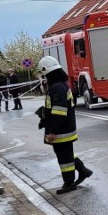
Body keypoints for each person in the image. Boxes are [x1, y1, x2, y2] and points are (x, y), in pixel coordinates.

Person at [37, 55, 93, 194]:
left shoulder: (56, 87)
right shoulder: (62, 84)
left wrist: (52, 132)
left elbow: (59, 112)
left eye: (44, 74)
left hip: (61, 131)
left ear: (47, 72)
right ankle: (83, 170)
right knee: (66, 153)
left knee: (64, 158)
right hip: (65, 129)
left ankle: (69, 183)